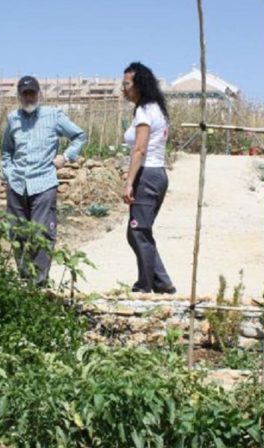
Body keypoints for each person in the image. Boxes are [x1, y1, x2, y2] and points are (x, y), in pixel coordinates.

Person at [1, 75, 86, 286]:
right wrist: (9, 173)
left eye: (32, 93)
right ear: (19, 96)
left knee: (42, 233)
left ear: (39, 94)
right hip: (17, 185)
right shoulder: (13, 119)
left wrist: (65, 157)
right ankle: (24, 279)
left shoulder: (53, 116)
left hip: (44, 183)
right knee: (17, 233)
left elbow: (79, 136)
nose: (29, 97)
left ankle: (39, 283)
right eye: (25, 93)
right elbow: (6, 151)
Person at [121, 62, 176, 294]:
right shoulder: (157, 109)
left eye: (126, 84)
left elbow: (139, 150)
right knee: (140, 230)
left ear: (139, 85)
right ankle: (160, 281)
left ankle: (146, 284)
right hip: (158, 174)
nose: (122, 89)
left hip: (147, 175)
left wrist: (129, 182)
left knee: (138, 231)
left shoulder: (145, 111)